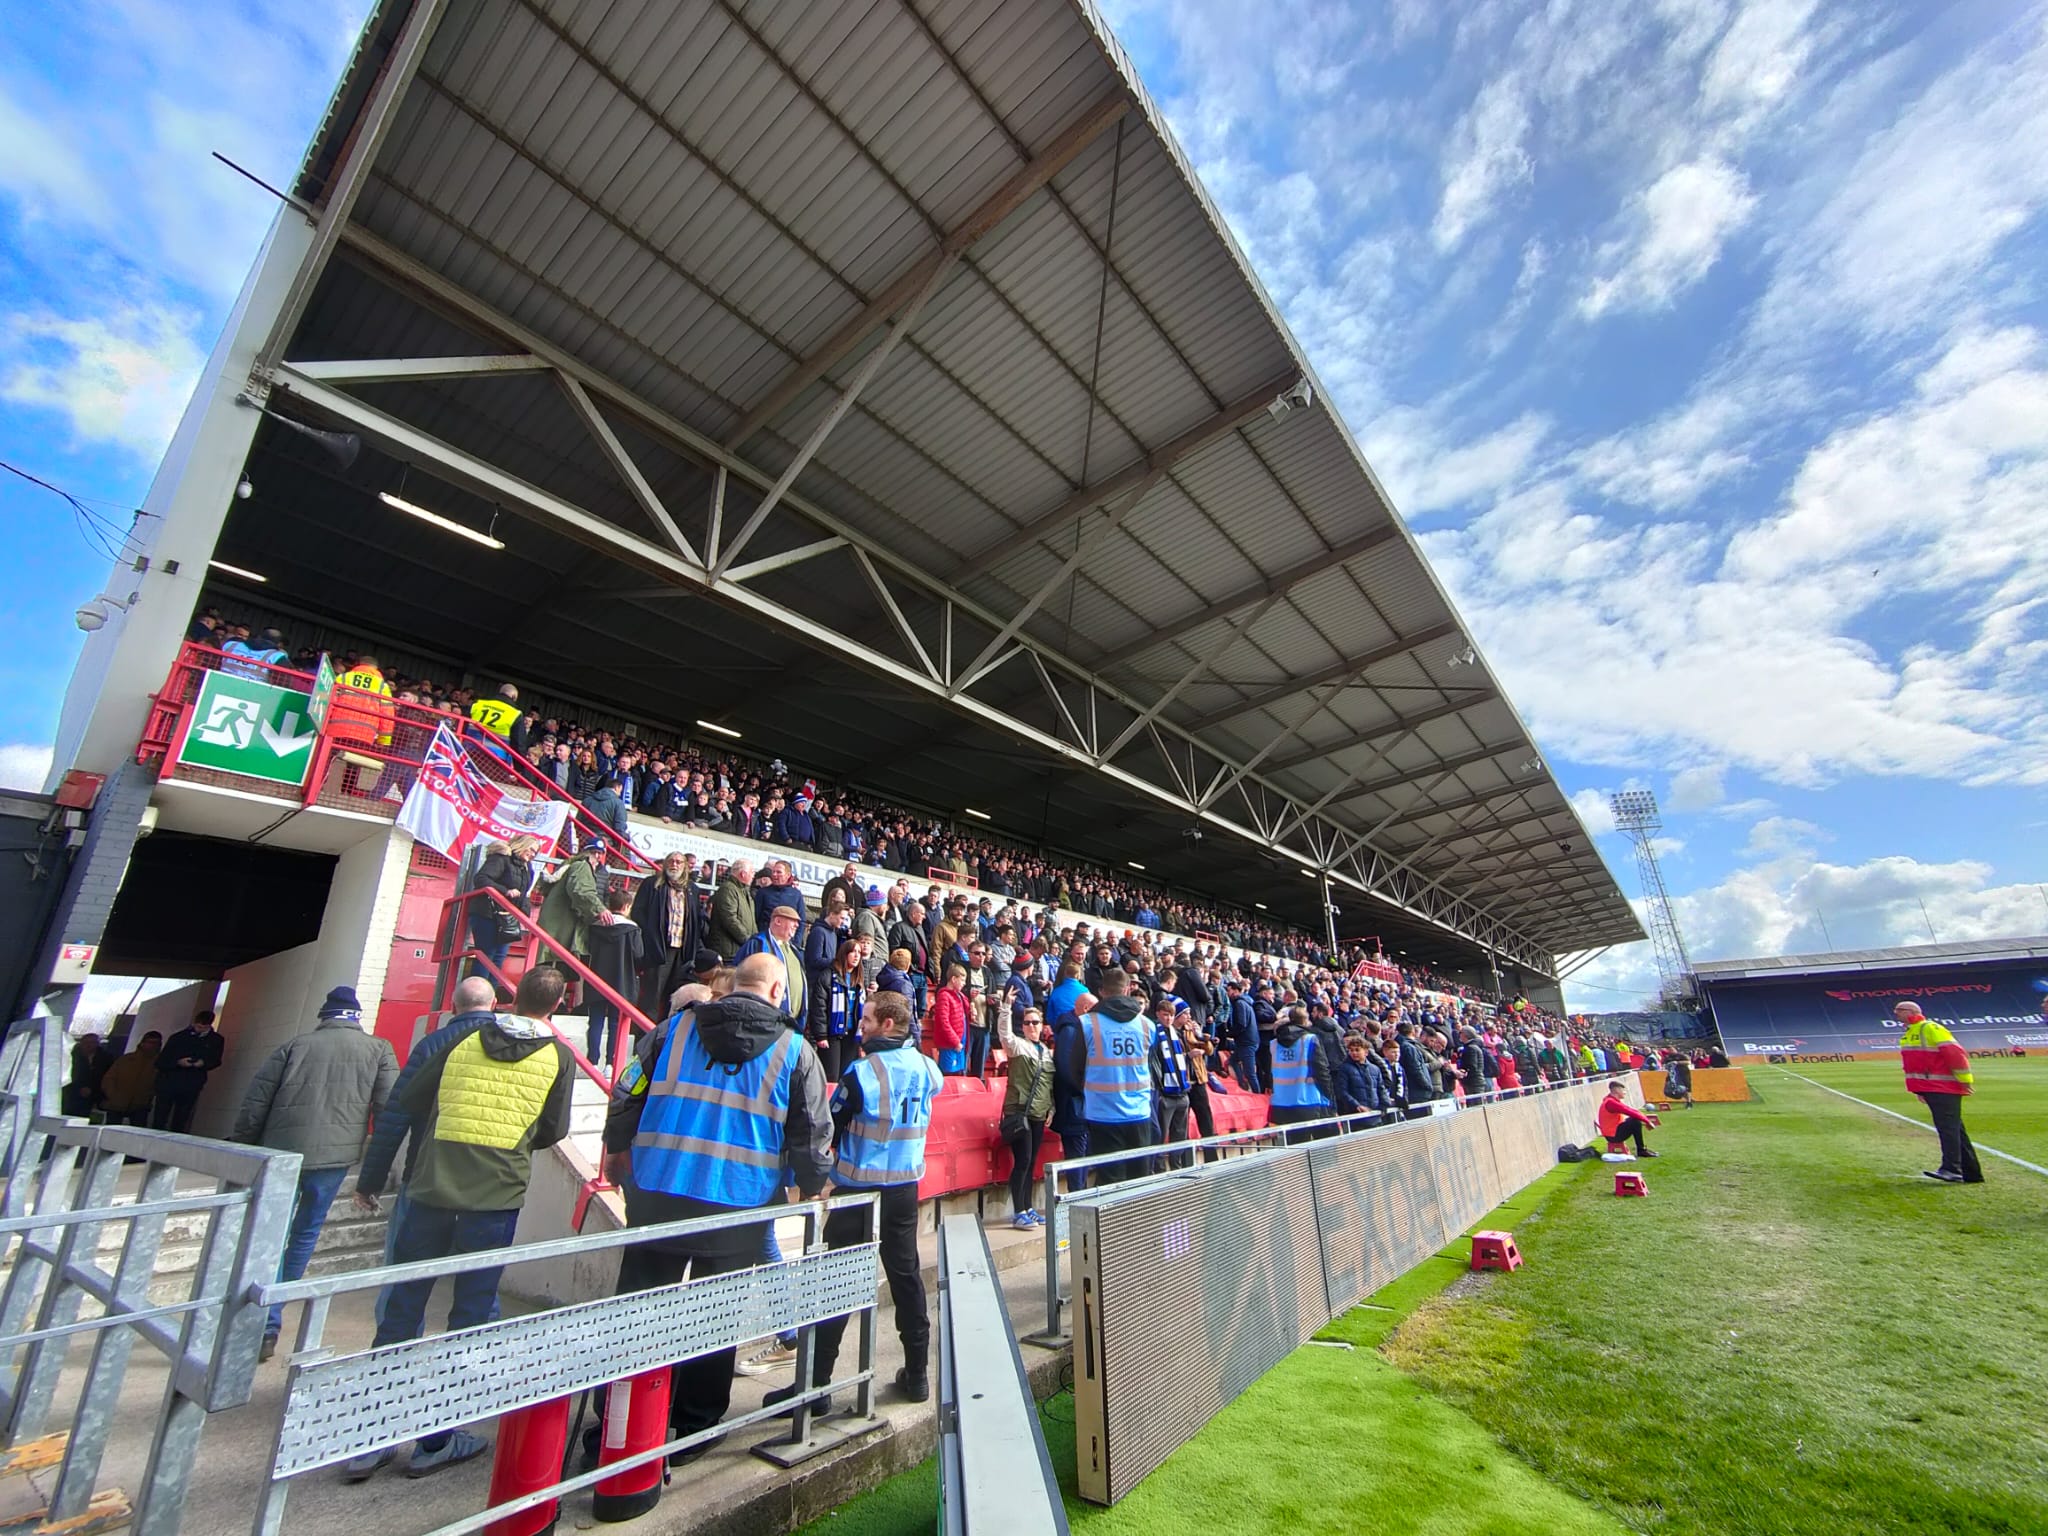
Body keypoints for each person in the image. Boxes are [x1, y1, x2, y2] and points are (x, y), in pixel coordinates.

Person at [343, 967, 575, 1481]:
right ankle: (437, 1438)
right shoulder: (558, 1056)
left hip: (431, 1187)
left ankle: (370, 1438)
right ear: (559, 1006)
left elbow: (412, 1098)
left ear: (510, 1000)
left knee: (402, 1309)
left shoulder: (460, 1040)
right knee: (468, 1316)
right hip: (494, 1196)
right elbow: (553, 1129)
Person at [600, 952, 834, 1457]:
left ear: (731, 988)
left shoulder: (670, 1032)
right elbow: (811, 1133)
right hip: (738, 1202)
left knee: (638, 1312)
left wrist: (616, 1148)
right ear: (777, 992)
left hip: (658, 1189)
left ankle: (614, 1421)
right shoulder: (796, 1051)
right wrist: (815, 1186)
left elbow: (627, 1091)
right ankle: (693, 1427)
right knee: (714, 1318)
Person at [767, 990, 944, 1414]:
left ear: (886, 1023)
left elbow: (827, 1129)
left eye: (866, 1018)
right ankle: (917, 1374)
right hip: (904, 1192)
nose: (859, 1025)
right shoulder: (928, 1069)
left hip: (856, 1194)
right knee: (907, 1281)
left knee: (836, 1288)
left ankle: (815, 1390)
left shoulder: (861, 1074)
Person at [232, 986, 399, 1359]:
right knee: (304, 1235)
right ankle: (271, 1321)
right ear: (357, 1018)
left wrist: (243, 1147)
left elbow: (255, 1103)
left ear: (325, 1016)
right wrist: (376, 1169)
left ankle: (253, 1321)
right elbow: (389, 1111)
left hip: (281, 1156)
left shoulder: (294, 1045)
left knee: (267, 1236)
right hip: (333, 1161)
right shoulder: (379, 1050)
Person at [357, 977, 499, 1328]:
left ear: (453, 1007)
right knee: (480, 1281)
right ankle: (476, 1359)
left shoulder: (432, 1045)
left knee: (405, 1274)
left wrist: (370, 1180)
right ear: (495, 1005)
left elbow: (395, 1117)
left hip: (424, 1177)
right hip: (487, 1182)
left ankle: (394, 1356)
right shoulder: (509, 1046)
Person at [1059, 967, 1156, 1184]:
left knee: (1110, 1180)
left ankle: (1112, 1219)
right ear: (1129, 989)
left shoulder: (1086, 1023)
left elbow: (1075, 1068)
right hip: (1139, 1111)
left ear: (1102, 991)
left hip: (1101, 1112)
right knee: (1139, 1180)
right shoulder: (1147, 1025)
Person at [1895, 1000, 1982, 1183]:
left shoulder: (1930, 1028)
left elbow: (1955, 1054)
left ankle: (1952, 1169)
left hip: (1942, 1087)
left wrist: (1965, 1080)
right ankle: (1971, 1172)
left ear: (1911, 1011)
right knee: (1955, 1129)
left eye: (1899, 1011)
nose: (1896, 1014)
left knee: (1948, 1129)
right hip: (1931, 1087)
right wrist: (1919, 1089)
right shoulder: (1911, 1033)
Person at [996, 1005, 1054, 1227]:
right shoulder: (1018, 1046)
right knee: (1023, 1161)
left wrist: (1051, 1108)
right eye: (1027, 1023)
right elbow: (1005, 1035)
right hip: (1020, 1112)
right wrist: (1006, 1010)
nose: (1031, 1026)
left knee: (1031, 1163)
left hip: (1039, 1113)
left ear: (1042, 1026)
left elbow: (1048, 1084)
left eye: (1035, 1022)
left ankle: (1028, 1208)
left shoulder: (1047, 1052)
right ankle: (1018, 1211)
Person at [629, 852, 705, 1022]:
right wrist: (651, 935)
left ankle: (664, 1037)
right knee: (652, 996)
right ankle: (645, 1036)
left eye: (679, 862)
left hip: (682, 951)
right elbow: (638, 912)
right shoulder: (652, 884)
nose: (674, 865)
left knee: (675, 996)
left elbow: (695, 919)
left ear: (685, 866)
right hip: (659, 948)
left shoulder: (692, 889)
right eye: (671, 861)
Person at [584, 886, 643, 1069]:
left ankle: (592, 1060)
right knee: (616, 1024)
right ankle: (611, 1063)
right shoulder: (632, 929)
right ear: (626, 906)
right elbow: (639, 954)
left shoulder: (595, 927)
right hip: (622, 982)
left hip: (597, 979)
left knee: (595, 1020)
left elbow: (588, 949)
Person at [467, 836, 540, 982]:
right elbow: (481, 879)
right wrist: (505, 891)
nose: (532, 854)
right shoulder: (501, 858)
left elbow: (522, 894)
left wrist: (526, 918)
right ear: (521, 845)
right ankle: (476, 996)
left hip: (506, 918)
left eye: (535, 853)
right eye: (531, 849)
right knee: (486, 956)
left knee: (498, 958)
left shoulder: (527, 868)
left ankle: (489, 999)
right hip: (487, 913)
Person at [538, 839, 612, 977]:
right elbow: (580, 891)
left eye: (600, 853)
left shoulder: (572, 865)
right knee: (555, 966)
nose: (597, 856)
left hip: (558, 923)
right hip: (562, 924)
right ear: (586, 852)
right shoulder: (582, 866)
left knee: (553, 964)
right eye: (593, 852)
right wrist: (599, 909)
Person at [736, 893, 808, 1024]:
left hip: (792, 1023)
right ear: (778, 921)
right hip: (764, 1020)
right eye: (793, 921)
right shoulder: (757, 944)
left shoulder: (794, 951)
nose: (797, 925)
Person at [1269, 1006, 1336, 1139]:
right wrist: (1331, 1100)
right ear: (1305, 1021)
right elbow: (1322, 1071)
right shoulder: (1310, 1039)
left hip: (1282, 1104)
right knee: (1322, 1151)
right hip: (1311, 1100)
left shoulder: (1274, 1043)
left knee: (1297, 1153)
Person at [154, 1010, 224, 1133]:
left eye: (203, 1027)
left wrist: (203, 1063)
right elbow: (161, 1060)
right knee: (160, 1116)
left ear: (209, 1025)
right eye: (198, 1026)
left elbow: (216, 1060)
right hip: (170, 1082)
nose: (199, 1030)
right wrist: (178, 1062)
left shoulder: (216, 1040)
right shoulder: (178, 1037)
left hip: (191, 1084)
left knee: (181, 1119)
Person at [1151, 995, 1194, 1169]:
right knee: (1161, 1135)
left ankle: (1176, 1167)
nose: (1168, 1018)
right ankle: (1160, 1168)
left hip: (1182, 1091)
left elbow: (1180, 1061)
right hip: (1166, 1093)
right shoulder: (1155, 1034)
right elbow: (1155, 1062)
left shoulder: (1176, 1034)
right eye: (1164, 1015)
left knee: (1180, 1134)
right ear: (1158, 1014)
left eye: (1170, 1015)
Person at [99, 1032, 161, 1125]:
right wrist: (112, 1095)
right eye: (150, 1042)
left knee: (137, 1133)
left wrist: (147, 1097)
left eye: (156, 1043)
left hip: (140, 1106)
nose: (153, 1046)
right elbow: (109, 1078)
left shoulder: (159, 1064)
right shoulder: (126, 1059)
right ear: (142, 1043)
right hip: (117, 1103)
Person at [707, 858, 757, 961]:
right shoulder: (728, 889)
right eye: (752, 872)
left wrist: (755, 939)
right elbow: (729, 918)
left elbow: (752, 920)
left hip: (739, 950)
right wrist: (748, 940)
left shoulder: (745, 892)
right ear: (743, 874)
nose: (754, 876)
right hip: (728, 952)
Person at [1596, 1081, 1660, 1159]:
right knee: (1635, 1122)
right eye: (1623, 1090)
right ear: (1617, 1090)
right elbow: (1629, 1111)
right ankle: (1641, 1150)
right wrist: (1647, 1121)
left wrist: (1646, 1120)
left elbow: (1631, 1110)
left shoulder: (1610, 1100)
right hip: (1613, 1136)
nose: (1625, 1092)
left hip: (1612, 1133)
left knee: (1634, 1120)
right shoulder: (1611, 1102)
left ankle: (1641, 1150)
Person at [927, 964, 970, 1074]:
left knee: (959, 1073)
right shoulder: (944, 996)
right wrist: (955, 1041)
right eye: (962, 980)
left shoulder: (960, 996)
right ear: (954, 979)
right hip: (950, 1044)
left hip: (961, 1041)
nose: (964, 983)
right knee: (949, 1074)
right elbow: (943, 1022)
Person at [220, 627, 289, 681]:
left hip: (219, 681)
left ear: (260, 637)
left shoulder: (231, 644)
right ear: (279, 644)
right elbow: (284, 683)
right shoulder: (277, 656)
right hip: (252, 692)